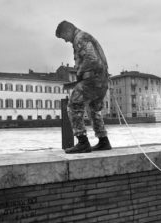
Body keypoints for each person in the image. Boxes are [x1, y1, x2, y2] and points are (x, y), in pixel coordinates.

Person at [56, 20, 112, 153]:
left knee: (73, 105)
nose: (65, 41)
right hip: (102, 80)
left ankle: (82, 142)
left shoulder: (80, 38)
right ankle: (103, 141)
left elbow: (91, 58)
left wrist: (80, 72)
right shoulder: (87, 37)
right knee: (93, 109)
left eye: (64, 37)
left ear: (68, 30)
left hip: (92, 80)